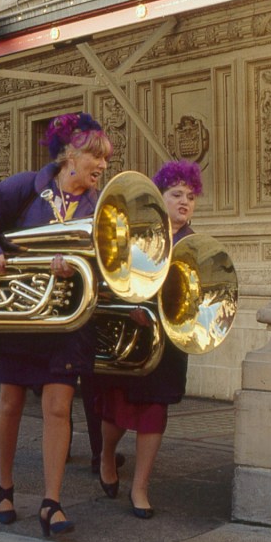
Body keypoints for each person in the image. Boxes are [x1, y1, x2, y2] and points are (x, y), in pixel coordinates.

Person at [0, 111, 110, 537]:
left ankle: (51, 502)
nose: (102, 166)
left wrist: (77, 267)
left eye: (106, 160)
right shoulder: (28, 185)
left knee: (59, 406)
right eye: (96, 157)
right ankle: (5, 487)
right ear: (68, 156)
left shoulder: (102, 205)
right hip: (21, 314)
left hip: (68, 320)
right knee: (11, 402)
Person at [93, 159, 202, 520]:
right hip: (130, 333)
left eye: (190, 196)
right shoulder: (139, 233)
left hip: (168, 341)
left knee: (154, 412)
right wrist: (132, 308)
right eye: (176, 194)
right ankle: (107, 456)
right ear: (161, 197)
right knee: (118, 411)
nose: (184, 201)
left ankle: (140, 487)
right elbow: (115, 276)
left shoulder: (198, 244)